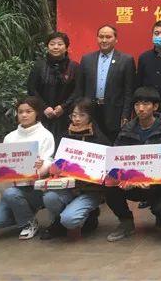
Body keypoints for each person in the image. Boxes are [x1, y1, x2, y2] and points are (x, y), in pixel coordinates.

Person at [105, 87, 161, 242]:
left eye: (146, 104)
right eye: (137, 104)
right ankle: (126, 221)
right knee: (108, 184)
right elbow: (116, 159)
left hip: (157, 185)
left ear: (155, 106)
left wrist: (153, 181)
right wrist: (123, 180)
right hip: (131, 184)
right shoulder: (126, 130)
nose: (140, 108)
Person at [40, 98, 110, 240]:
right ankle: (58, 222)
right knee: (49, 198)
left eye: (82, 115)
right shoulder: (64, 136)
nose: (77, 119)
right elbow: (55, 162)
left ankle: (89, 215)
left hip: (90, 190)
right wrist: (50, 166)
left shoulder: (100, 139)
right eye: (74, 115)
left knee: (70, 220)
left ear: (90, 116)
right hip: (66, 186)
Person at [0, 97, 55, 240]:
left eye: (28, 111)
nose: (24, 115)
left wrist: (42, 167)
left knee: (11, 193)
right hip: (12, 187)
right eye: (20, 112)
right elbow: (2, 164)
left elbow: (49, 161)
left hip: (36, 188)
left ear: (37, 113)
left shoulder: (46, 136)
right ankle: (25, 212)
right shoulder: (9, 137)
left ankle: (28, 223)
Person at [70, 24, 136, 141]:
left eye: (108, 37)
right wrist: (79, 111)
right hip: (90, 110)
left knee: (111, 144)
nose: (104, 40)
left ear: (116, 39)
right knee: (90, 144)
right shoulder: (87, 59)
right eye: (101, 37)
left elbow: (129, 91)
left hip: (114, 112)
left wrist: (126, 115)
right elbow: (80, 88)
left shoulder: (126, 60)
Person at [27, 31, 79, 145]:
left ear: (66, 47)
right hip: (43, 115)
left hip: (66, 116)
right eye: (52, 44)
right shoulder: (39, 66)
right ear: (47, 46)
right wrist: (44, 107)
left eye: (60, 44)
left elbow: (77, 90)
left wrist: (63, 107)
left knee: (63, 146)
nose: (56, 47)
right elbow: (32, 89)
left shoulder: (74, 67)